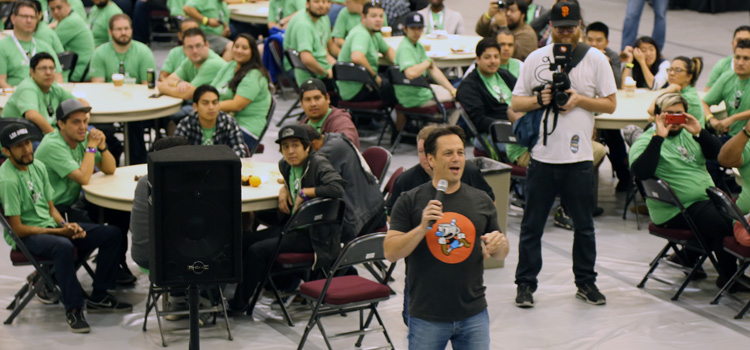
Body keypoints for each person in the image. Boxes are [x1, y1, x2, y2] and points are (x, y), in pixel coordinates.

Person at [511, 1, 617, 308]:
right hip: (542, 158)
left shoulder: (595, 59)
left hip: (579, 159)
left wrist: (580, 100)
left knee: (584, 227)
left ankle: (586, 282)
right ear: (551, 28)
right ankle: (525, 285)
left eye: (570, 28)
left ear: (580, 25)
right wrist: (539, 99)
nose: (565, 33)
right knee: (532, 227)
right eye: (559, 28)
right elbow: (517, 103)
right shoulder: (535, 58)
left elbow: (610, 104)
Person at [384, 125, 509, 349]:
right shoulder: (409, 200)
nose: (457, 159)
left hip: (473, 314)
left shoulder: (481, 200)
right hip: (426, 316)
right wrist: (422, 228)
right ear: (430, 159)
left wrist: (500, 245)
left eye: (461, 152)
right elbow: (390, 252)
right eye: (448, 153)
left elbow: (500, 252)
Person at [0, 123, 132, 334]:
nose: (26, 149)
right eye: (18, 146)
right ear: (6, 151)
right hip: (27, 235)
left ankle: (99, 295)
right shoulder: (7, 179)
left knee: (111, 233)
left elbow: (51, 208)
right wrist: (59, 232)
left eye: (27, 143)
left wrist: (65, 224)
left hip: (51, 227)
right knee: (63, 246)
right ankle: (73, 308)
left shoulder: (37, 166)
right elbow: (18, 229)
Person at [630, 92, 749, 291]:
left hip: (704, 201)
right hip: (675, 210)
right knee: (726, 222)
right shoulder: (646, 141)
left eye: (679, 114)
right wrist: (659, 137)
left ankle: (688, 256)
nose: (674, 120)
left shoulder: (689, 135)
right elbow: (641, 172)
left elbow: (718, 156)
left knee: (728, 215)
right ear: (657, 116)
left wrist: (700, 132)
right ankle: (729, 278)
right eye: (669, 114)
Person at [229, 124, 345, 313]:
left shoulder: (318, 164)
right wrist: (284, 189)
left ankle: (239, 304)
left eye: (295, 145)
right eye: (285, 147)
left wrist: (305, 192)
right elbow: (289, 180)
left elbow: (337, 188)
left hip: (314, 236)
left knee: (257, 250)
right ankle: (224, 290)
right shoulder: (286, 166)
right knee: (242, 240)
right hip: (291, 227)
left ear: (307, 147)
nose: (290, 151)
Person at [34, 98, 135, 284]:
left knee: (118, 213)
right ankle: (98, 291)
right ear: (61, 124)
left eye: (85, 121)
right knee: (109, 234)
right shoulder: (53, 145)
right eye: (76, 122)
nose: (83, 127)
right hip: (53, 210)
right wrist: (91, 146)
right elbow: (83, 177)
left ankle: (116, 267)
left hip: (73, 202)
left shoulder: (78, 138)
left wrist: (102, 147)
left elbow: (110, 169)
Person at [302, 125, 384, 241]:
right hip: (371, 207)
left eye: (297, 147)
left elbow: (304, 178)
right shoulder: (335, 139)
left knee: (302, 232)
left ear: (313, 144)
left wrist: (296, 190)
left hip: (361, 218)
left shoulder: (327, 151)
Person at [130, 136, 191, 271]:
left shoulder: (144, 182)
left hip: (142, 255)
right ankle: (212, 291)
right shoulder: (185, 184)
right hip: (170, 261)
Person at [158, 28, 227, 134]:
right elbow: (170, 79)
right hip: (199, 106)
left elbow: (188, 94)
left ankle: (176, 148)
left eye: (198, 46)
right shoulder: (191, 60)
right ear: (184, 49)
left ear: (207, 45)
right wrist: (179, 83)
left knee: (168, 115)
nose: (195, 50)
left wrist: (163, 88)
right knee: (161, 115)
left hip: (218, 111)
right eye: (190, 47)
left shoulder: (212, 63)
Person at [457, 38, 519, 156]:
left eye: (496, 57)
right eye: (487, 57)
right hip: (492, 133)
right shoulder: (469, 86)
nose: (493, 61)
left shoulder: (504, 75)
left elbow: (523, 94)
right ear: (478, 59)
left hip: (518, 126)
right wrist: (511, 126)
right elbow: (479, 120)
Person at [394, 12, 459, 125]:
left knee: (456, 92)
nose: (417, 32)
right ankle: (446, 132)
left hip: (420, 92)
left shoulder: (417, 45)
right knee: (461, 100)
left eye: (419, 28)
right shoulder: (405, 48)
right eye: (413, 28)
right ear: (405, 29)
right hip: (413, 97)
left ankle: (440, 131)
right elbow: (410, 73)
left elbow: (433, 69)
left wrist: (452, 90)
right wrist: (427, 62)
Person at [211, 34, 273, 150]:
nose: (239, 51)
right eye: (236, 46)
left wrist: (207, 108)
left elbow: (237, 105)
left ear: (252, 52)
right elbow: (211, 90)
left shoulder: (255, 75)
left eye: (244, 48)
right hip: (223, 121)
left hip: (246, 128)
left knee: (205, 140)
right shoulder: (230, 66)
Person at [2, 53, 80, 134]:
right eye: (43, 68)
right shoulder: (27, 87)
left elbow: (79, 103)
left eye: (51, 68)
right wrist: (56, 137)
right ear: (32, 72)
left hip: (40, 133)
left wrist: (85, 118)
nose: (48, 72)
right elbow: (32, 115)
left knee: (88, 130)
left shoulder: (53, 86)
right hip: (21, 138)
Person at [336, 0, 396, 104]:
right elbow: (357, 57)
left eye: (381, 16)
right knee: (401, 90)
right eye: (373, 16)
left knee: (396, 81)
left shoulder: (374, 33)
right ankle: (402, 119)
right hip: (355, 91)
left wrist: (402, 64)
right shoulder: (361, 34)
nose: (378, 20)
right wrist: (374, 77)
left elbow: (388, 51)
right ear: (363, 17)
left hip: (362, 83)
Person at [0, 1, 62, 89]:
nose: (29, 21)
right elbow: (1, 82)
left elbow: (58, 78)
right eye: (24, 16)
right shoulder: (2, 47)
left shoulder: (45, 47)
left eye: (33, 17)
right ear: (13, 19)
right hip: (14, 97)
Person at [174, 85, 248, 157]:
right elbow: (176, 154)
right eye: (205, 103)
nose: (211, 107)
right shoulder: (186, 124)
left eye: (214, 103)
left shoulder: (229, 123)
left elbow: (240, 152)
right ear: (195, 106)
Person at [88, 14, 156, 84]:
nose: (123, 32)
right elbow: (98, 86)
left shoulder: (144, 52)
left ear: (131, 30)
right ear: (110, 32)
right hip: (109, 94)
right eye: (119, 29)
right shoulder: (100, 52)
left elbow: (147, 86)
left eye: (126, 28)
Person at [704, 40, 750, 138]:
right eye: (737, 57)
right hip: (732, 137)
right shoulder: (727, 77)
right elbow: (704, 102)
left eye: (746, 58)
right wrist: (712, 120)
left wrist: (733, 118)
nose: (740, 63)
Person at [284, 0, 335, 84]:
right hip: (308, 71)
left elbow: (325, 52)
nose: (323, 5)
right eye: (316, 1)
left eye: (327, 2)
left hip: (321, 64)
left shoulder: (323, 18)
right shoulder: (303, 25)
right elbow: (307, 59)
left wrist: (337, 66)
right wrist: (325, 73)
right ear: (307, 4)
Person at [298, 78, 360, 148]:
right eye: (308, 100)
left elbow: (345, 145)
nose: (313, 104)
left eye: (317, 98)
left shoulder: (341, 121)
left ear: (327, 98)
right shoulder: (303, 123)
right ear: (302, 104)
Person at [48, 0, 95, 82]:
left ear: (68, 5)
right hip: (76, 66)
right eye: (52, 9)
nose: (56, 12)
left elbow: (48, 44)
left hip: (79, 71)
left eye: (59, 7)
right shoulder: (70, 17)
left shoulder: (71, 22)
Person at [706, 26, 750, 92]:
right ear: (732, 44)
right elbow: (708, 92)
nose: (742, 44)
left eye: (746, 41)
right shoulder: (722, 65)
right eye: (739, 41)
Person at [585, 21, 622, 88]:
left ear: (607, 42)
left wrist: (606, 64)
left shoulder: (613, 56)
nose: (594, 44)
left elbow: (618, 84)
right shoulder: (579, 54)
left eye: (599, 40)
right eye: (590, 40)